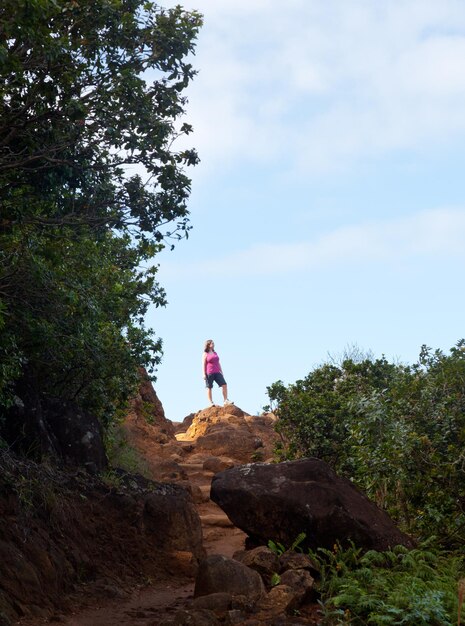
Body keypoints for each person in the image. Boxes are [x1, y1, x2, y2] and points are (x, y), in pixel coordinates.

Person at [202, 339, 233, 407]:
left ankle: (225, 400)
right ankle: (211, 402)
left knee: (224, 384)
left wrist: (221, 371)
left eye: (213, 343)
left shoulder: (215, 353)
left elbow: (218, 363)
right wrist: (204, 374)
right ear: (208, 345)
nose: (213, 344)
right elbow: (203, 364)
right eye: (212, 343)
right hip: (209, 372)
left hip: (217, 372)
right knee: (209, 387)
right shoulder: (205, 354)